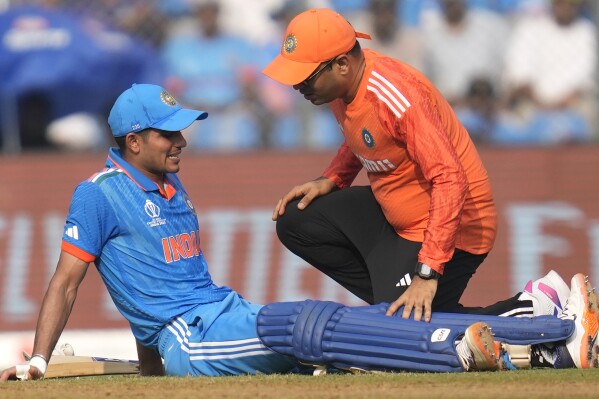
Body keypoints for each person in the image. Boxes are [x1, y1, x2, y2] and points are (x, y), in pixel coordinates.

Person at [1, 84, 596, 381]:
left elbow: (155, 288)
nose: (181, 141)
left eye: (181, 131)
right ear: (133, 141)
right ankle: (530, 345)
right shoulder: (99, 193)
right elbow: (66, 283)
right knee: (317, 326)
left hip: (219, 318)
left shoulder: (170, 186)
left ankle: (537, 325)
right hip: (195, 340)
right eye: (167, 134)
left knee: (349, 325)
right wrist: (40, 361)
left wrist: (149, 379)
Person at [261, 8, 569, 323]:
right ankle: (400, 309)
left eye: (306, 76)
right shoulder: (341, 90)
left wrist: (427, 272)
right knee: (296, 219)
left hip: (457, 226)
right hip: (397, 217)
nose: (297, 86)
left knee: (400, 326)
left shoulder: (397, 95)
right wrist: (333, 178)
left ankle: (536, 306)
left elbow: (450, 179)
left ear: (341, 64)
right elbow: (366, 134)